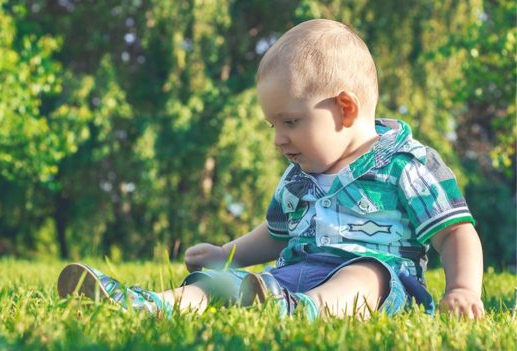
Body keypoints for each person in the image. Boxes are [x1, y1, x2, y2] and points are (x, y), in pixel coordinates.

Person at [57, 19, 485, 320]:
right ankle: (149, 303)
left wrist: (463, 289)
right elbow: (274, 234)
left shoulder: (407, 164)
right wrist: (227, 255)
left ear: (345, 108)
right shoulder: (299, 176)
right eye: (273, 125)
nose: (278, 138)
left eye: (290, 122)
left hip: (385, 285)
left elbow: (454, 233)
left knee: (363, 274)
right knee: (223, 284)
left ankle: (308, 311)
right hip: (293, 275)